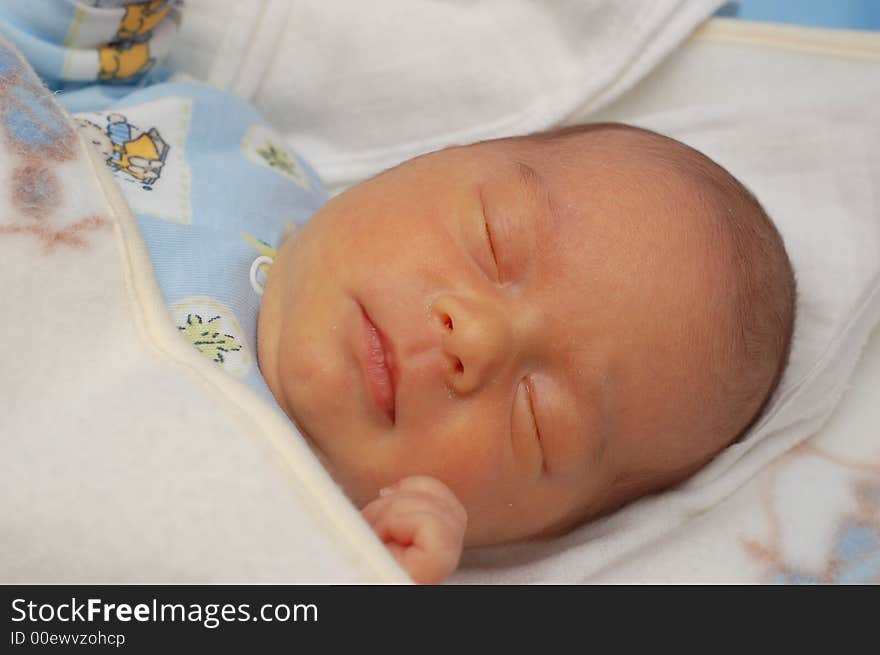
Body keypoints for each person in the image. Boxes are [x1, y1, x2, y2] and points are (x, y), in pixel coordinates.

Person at [0, 1, 796, 584]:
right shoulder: (219, 132)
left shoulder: (303, 517)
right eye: (494, 240)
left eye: (538, 421)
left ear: (530, 532)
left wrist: (344, 570)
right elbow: (61, 52)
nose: (475, 339)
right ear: (429, 159)